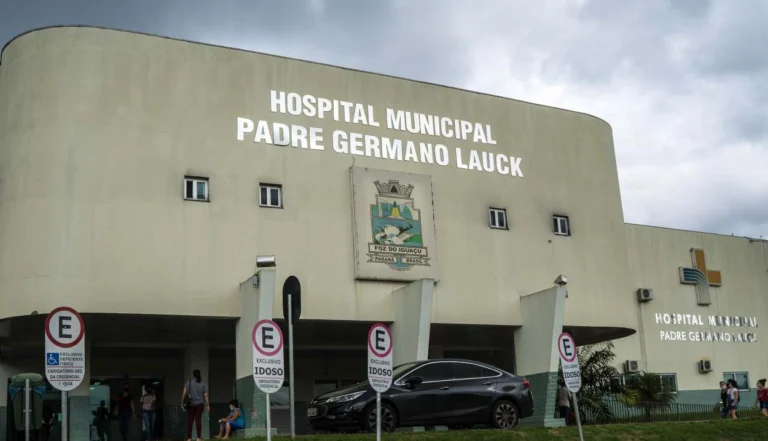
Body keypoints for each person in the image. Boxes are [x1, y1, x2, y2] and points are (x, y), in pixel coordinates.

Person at [181, 369, 210, 441]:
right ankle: (198, 438)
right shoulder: (203, 384)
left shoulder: (189, 382)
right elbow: (206, 395)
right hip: (200, 404)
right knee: (198, 420)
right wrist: (208, 405)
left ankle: (189, 438)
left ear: (193, 375)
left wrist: (182, 403)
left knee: (190, 421)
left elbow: (184, 394)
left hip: (191, 404)